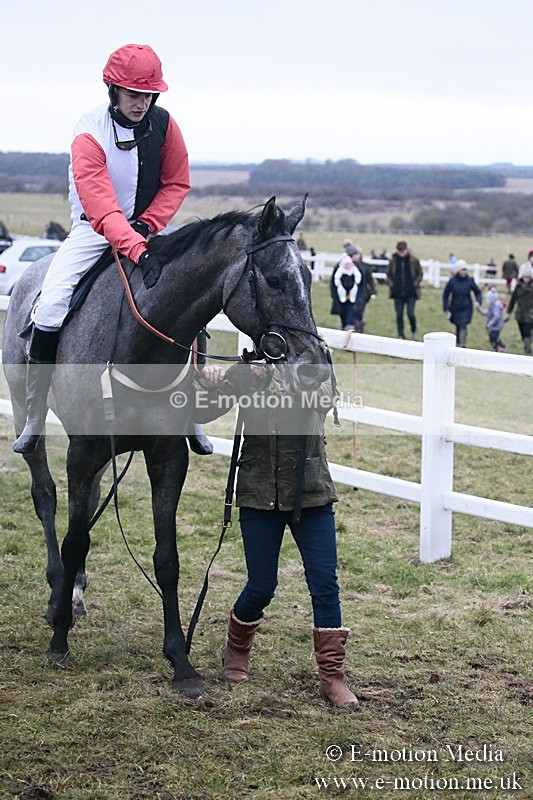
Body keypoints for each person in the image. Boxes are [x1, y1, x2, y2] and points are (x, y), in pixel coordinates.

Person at [13, 43, 211, 457]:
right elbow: (101, 205)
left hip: (149, 228)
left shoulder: (166, 125)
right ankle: (35, 416)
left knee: (190, 302)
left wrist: (148, 226)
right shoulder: (88, 131)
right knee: (49, 306)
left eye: (148, 95)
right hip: (93, 232)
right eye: (132, 94)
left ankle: (190, 414)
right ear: (113, 90)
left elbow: (176, 183)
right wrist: (136, 247)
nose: (141, 103)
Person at [193, 361, 358, 709]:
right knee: (261, 585)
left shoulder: (314, 360)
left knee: (325, 583)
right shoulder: (248, 367)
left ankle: (332, 677)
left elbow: (324, 399)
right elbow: (204, 412)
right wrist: (209, 381)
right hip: (259, 492)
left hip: (310, 491)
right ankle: (236, 650)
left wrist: (279, 377)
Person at [386, 240, 423, 340]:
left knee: (410, 313)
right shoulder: (393, 260)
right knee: (399, 314)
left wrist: (415, 284)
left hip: (411, 292)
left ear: (407, 250)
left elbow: (420, 273)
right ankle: (400, 334)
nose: (401, 253)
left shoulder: (414, 260)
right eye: (399, 251)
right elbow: (388, 274)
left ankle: (413, 330)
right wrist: (392, 284)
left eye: (403, 251)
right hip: (397, 292)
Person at [442, 260, 482, 347]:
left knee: (463, 326)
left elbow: (478, 292)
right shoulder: (452, 281)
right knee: (458, 326)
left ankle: (462, 344)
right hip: (455, 308)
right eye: (462, 270)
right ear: (458, 271)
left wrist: (478, 301)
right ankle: (458, 343)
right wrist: (446, 308)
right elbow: (445, 295)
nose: (464, 272)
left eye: (465, 270)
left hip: (466, 308)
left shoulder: (470, 280)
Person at [505, 261, 533, 355]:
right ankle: (527, 346)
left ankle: (528, 352)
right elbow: (513, 300)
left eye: (528, 277)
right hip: (520, 315)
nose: (526, 279)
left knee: (528, 333)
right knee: (523, 333)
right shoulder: (518, 287)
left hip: (531, 315)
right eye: (525, 277)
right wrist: (508, 312)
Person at [348, 245, 377, 333]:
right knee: (352, 311)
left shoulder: (365, 266)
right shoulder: (348, 265)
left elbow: (370, 280)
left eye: (358, 254)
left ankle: (359, 327)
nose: (357, 256)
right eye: (355, 254)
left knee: (359, 310)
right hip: (352, 292)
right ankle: (353, 327)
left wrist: (373, 291)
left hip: (363, 292)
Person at [334, 253, 362, 331]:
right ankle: (344, 323)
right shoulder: (340, 270)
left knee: (350, 308)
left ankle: (350, 324)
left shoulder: (354, 269)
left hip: (351, 291)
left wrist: (356, 281)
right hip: (343, 291)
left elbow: (358, 276)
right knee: (343, 308)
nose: (348, 266)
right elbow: (337, 277)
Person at [479, 287, 506, 352]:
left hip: (496, 327)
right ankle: (496, 348)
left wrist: (490, 324)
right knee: (492, 338)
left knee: (494, 338)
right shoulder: (492, 306)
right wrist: (479, 309)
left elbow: (496, 316)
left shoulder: (496, 307)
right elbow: (487, 313)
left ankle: (500, 346)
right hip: (493, 327)